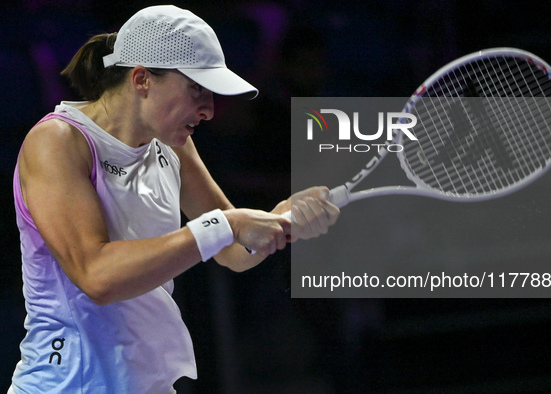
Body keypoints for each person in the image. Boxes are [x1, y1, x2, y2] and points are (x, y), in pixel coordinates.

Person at [9, 5, 339, 394]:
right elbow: (96, 276)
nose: (209, 110)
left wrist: (281, 219)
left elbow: (231, 251)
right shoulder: (58, 142)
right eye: (195, 89)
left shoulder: (174, 147)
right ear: (142, 79)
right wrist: (229, 224)